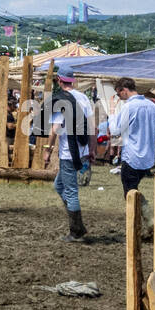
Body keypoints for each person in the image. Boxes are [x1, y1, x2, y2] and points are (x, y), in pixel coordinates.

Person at [43, 73, 93, 242]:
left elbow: (55, 129)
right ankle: (78, 224)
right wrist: (90, 151)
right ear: (74, 81)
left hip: (67, 153)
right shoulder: (84, 99)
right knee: (59, 186)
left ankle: (76, 231)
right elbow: (91, 127)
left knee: (71, 192)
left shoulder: (61, 100)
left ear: (59, 80)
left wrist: (48, 150)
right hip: (82, 150)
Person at [108, 77, 155, 224]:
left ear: (124, 90)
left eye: (119, 94)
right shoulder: (151, 105)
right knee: (133, 189)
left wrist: (112, 112)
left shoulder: (128, 107)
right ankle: (145, 223)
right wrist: (147, 140)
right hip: (147, 158)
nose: (119, 98)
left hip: (131, 157)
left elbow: (115, 130)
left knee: (130, 193)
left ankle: (150, 221)